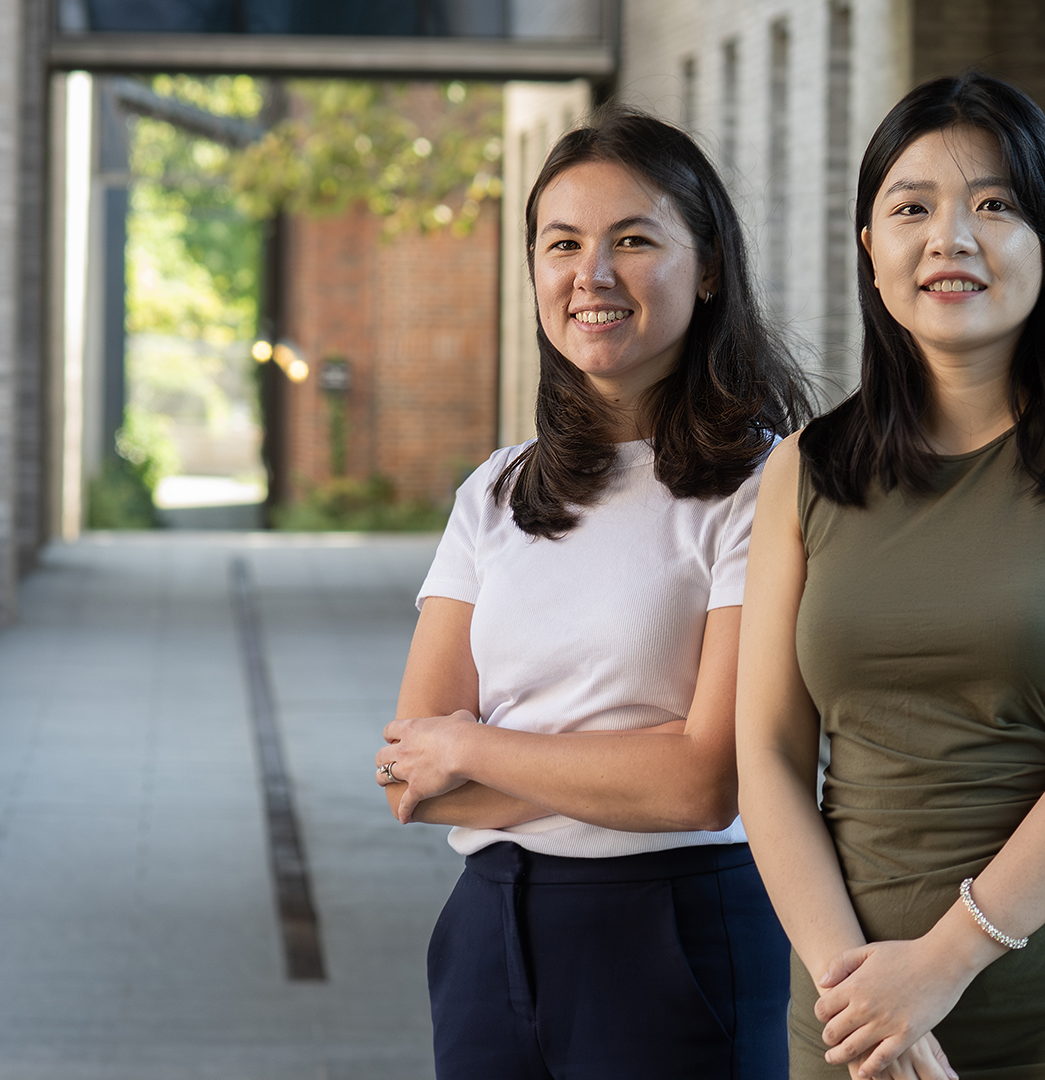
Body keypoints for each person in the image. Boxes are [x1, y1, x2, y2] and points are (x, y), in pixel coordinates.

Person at [736, 73, 1045, 1080]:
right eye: (912, 208)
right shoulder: (805, 472)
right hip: (852, 1016)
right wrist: (861, 996)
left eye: (996, 205)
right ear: (871, 247)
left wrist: (939, 969)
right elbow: (769, 758)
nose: (952, 237)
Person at [375, 108, 808, 1080]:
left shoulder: (763, 486)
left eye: (634, 240)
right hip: (490, 938)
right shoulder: (496, 490)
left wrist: (476, 747)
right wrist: (627, 763)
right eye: (562, 244)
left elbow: (703, 785)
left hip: (676, 934)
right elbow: (410, 779)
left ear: (707, 269)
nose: (592, 275)